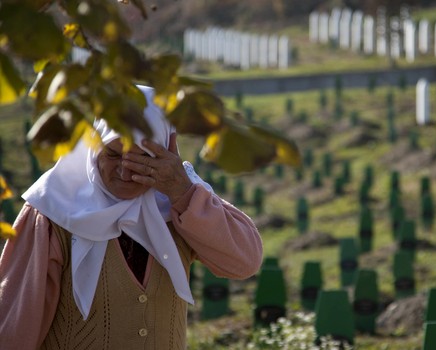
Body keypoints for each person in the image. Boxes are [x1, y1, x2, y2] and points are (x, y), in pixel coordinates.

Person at [0, 85, 263, 349]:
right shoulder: (53, 211)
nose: (126, 171)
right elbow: (15, 327)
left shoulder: (179, 203)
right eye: (113, 154)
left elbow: (245, 261)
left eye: (143, 158)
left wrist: (183, 192)